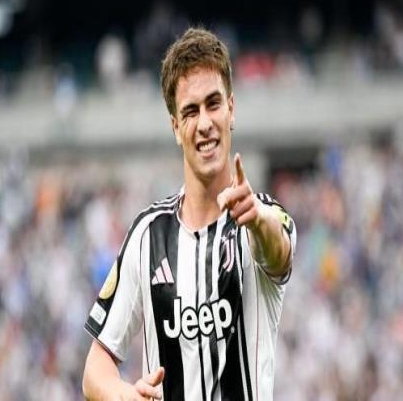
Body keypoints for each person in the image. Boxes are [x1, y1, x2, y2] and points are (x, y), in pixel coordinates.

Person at [82, 27, 297, 401]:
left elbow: (279, 255)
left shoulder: (261, 217)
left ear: (231, 109)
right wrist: (124, 395)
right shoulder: (148, 236)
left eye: (213, 104)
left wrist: (258, 220)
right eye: (190, 111)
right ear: (176, 127)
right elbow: (94, 370)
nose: (204, 123)